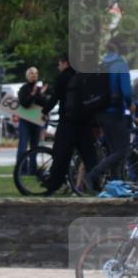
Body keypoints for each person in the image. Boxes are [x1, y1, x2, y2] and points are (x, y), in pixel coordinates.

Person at [41, 54, 98, 194]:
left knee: (61, 154)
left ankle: (53, 185)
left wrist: (45, 111)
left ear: (65, 63)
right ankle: (96, 185)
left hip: (67, 122)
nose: (58, 66)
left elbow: (55, 98)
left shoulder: (62, 78)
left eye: (59, 64)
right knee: (89, 156)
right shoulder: (84, 77)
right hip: (84, 123)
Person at [86, 39, 133, 189]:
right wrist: (130, 104)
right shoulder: (120, 64)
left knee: (114, 152)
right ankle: (93, 174)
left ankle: (115, 185)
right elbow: (126, 91)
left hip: (100, 113)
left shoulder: (103, 64)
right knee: (123, 150)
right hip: (114, 113)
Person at [16, 67, 45, 175]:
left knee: (35, 146)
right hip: (25, 121)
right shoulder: (23, 89)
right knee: (23, 145)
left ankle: (33, 169)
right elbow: (24, 104)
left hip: (36, 121)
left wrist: (41, 95)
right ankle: (21, 169)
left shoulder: (39, 88)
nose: (34, 75)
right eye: (32, 73)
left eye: (36, 73)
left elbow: (44, 104)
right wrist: (32, 95)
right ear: (27, 75)